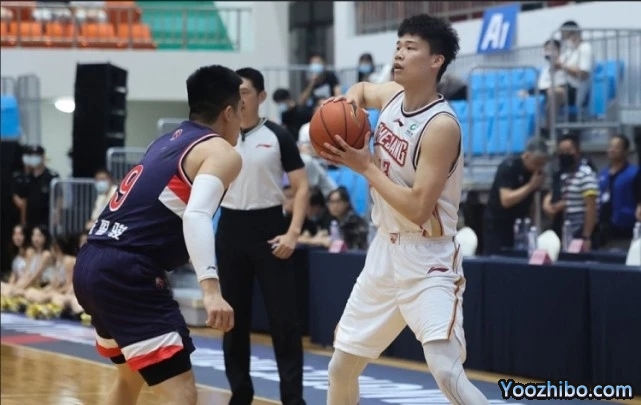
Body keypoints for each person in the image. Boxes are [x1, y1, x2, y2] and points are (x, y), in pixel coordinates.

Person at [319, 14, 489, 404]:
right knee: (341, 368)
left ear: (436, 61)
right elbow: (363, 88)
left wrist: (365, 166)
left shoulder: (441, 125)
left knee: (446, 372)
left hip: (428, 257)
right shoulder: (393, 95)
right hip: (384, 251)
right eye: (398, 45)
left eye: (410, 47)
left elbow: (418, 207)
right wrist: (347, 108)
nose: (399, 53)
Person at [72, 65, 243, 405]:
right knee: (182, 393)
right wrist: (211, 291)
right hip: (126, 270)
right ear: (228, 113)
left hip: (92, 258)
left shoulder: (165, 141)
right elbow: (196, 215)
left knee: (129, 378)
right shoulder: (221, 152)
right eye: (240, 110)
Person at [216, 67, 308, 405]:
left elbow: (301, 187)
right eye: (235, 92)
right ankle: (240, 394)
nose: (239, 99)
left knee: (284, 322)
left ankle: (293, 399)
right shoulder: (218, 137)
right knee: (232, 320)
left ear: (261, 96)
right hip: (230, 229)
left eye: (245, 92)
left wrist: (293, 233)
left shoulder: (278, 136)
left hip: (270, 229)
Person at [483, 138, 549, 255]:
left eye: (541, 164)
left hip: (520, 224)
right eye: (536, 163)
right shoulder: (509, 167)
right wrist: (531, 185)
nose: (538, 168)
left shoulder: (534, 174)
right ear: (527, 156)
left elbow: (532, 202)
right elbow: (506, 200)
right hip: (499, 225)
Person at [543, 134, 599, 250]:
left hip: (579, 232)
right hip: (562, 230)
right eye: (561, 151)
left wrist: (586, 236)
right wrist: (549, 204)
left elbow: (591, 207)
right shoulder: (561, 175)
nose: (565, 154)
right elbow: (554, 193)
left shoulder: (585, 174)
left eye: (568, 150)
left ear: (577, 152)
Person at [598, 134, 639, 249]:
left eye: (617, 147)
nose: (612, 150)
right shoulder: (603, 174)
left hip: (626, 229)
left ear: (625, 151)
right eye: (610, 146)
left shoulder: (634, 173)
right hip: (604, 229)